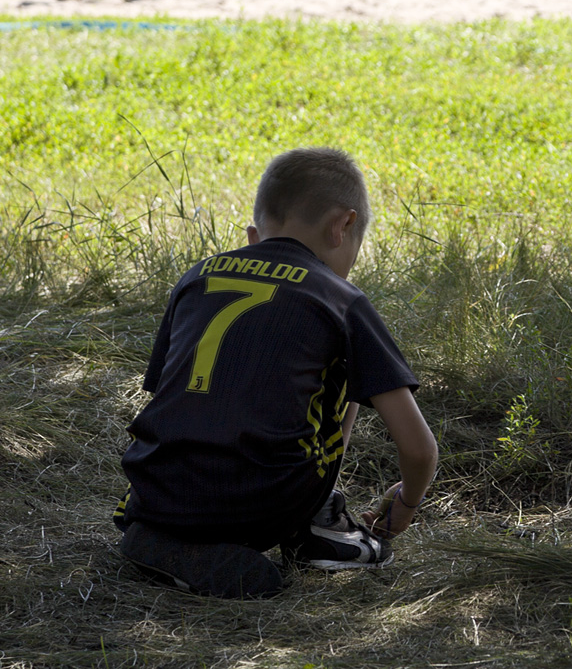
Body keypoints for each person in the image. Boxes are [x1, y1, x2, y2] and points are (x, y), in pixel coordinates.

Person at [113, 148, 439, 599]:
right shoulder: (341, 299)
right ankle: (318, 525)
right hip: (261, 504)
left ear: (253, 236)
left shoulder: (196, 277)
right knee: (347, 371)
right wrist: (404, 505)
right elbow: (419, 450)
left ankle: (157, 535)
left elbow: (169, 393)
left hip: (156, 489)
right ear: (342, 226)